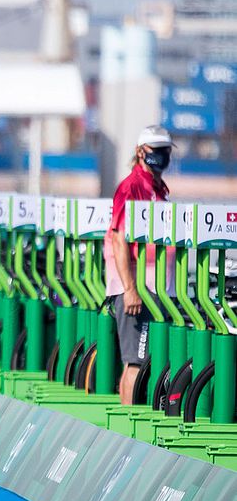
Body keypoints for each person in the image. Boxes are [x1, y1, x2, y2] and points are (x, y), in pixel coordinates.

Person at [106, 125, 174, 406]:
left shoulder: (158, 188)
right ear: (139, 152)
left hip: (154, 287)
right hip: (136, 288)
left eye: (166, 150)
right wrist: (130, 289)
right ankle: (129, 425)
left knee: (141, 361)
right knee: (135, 362)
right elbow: (120, 240)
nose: (162, 155)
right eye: (156, 150)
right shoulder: (132, 187)